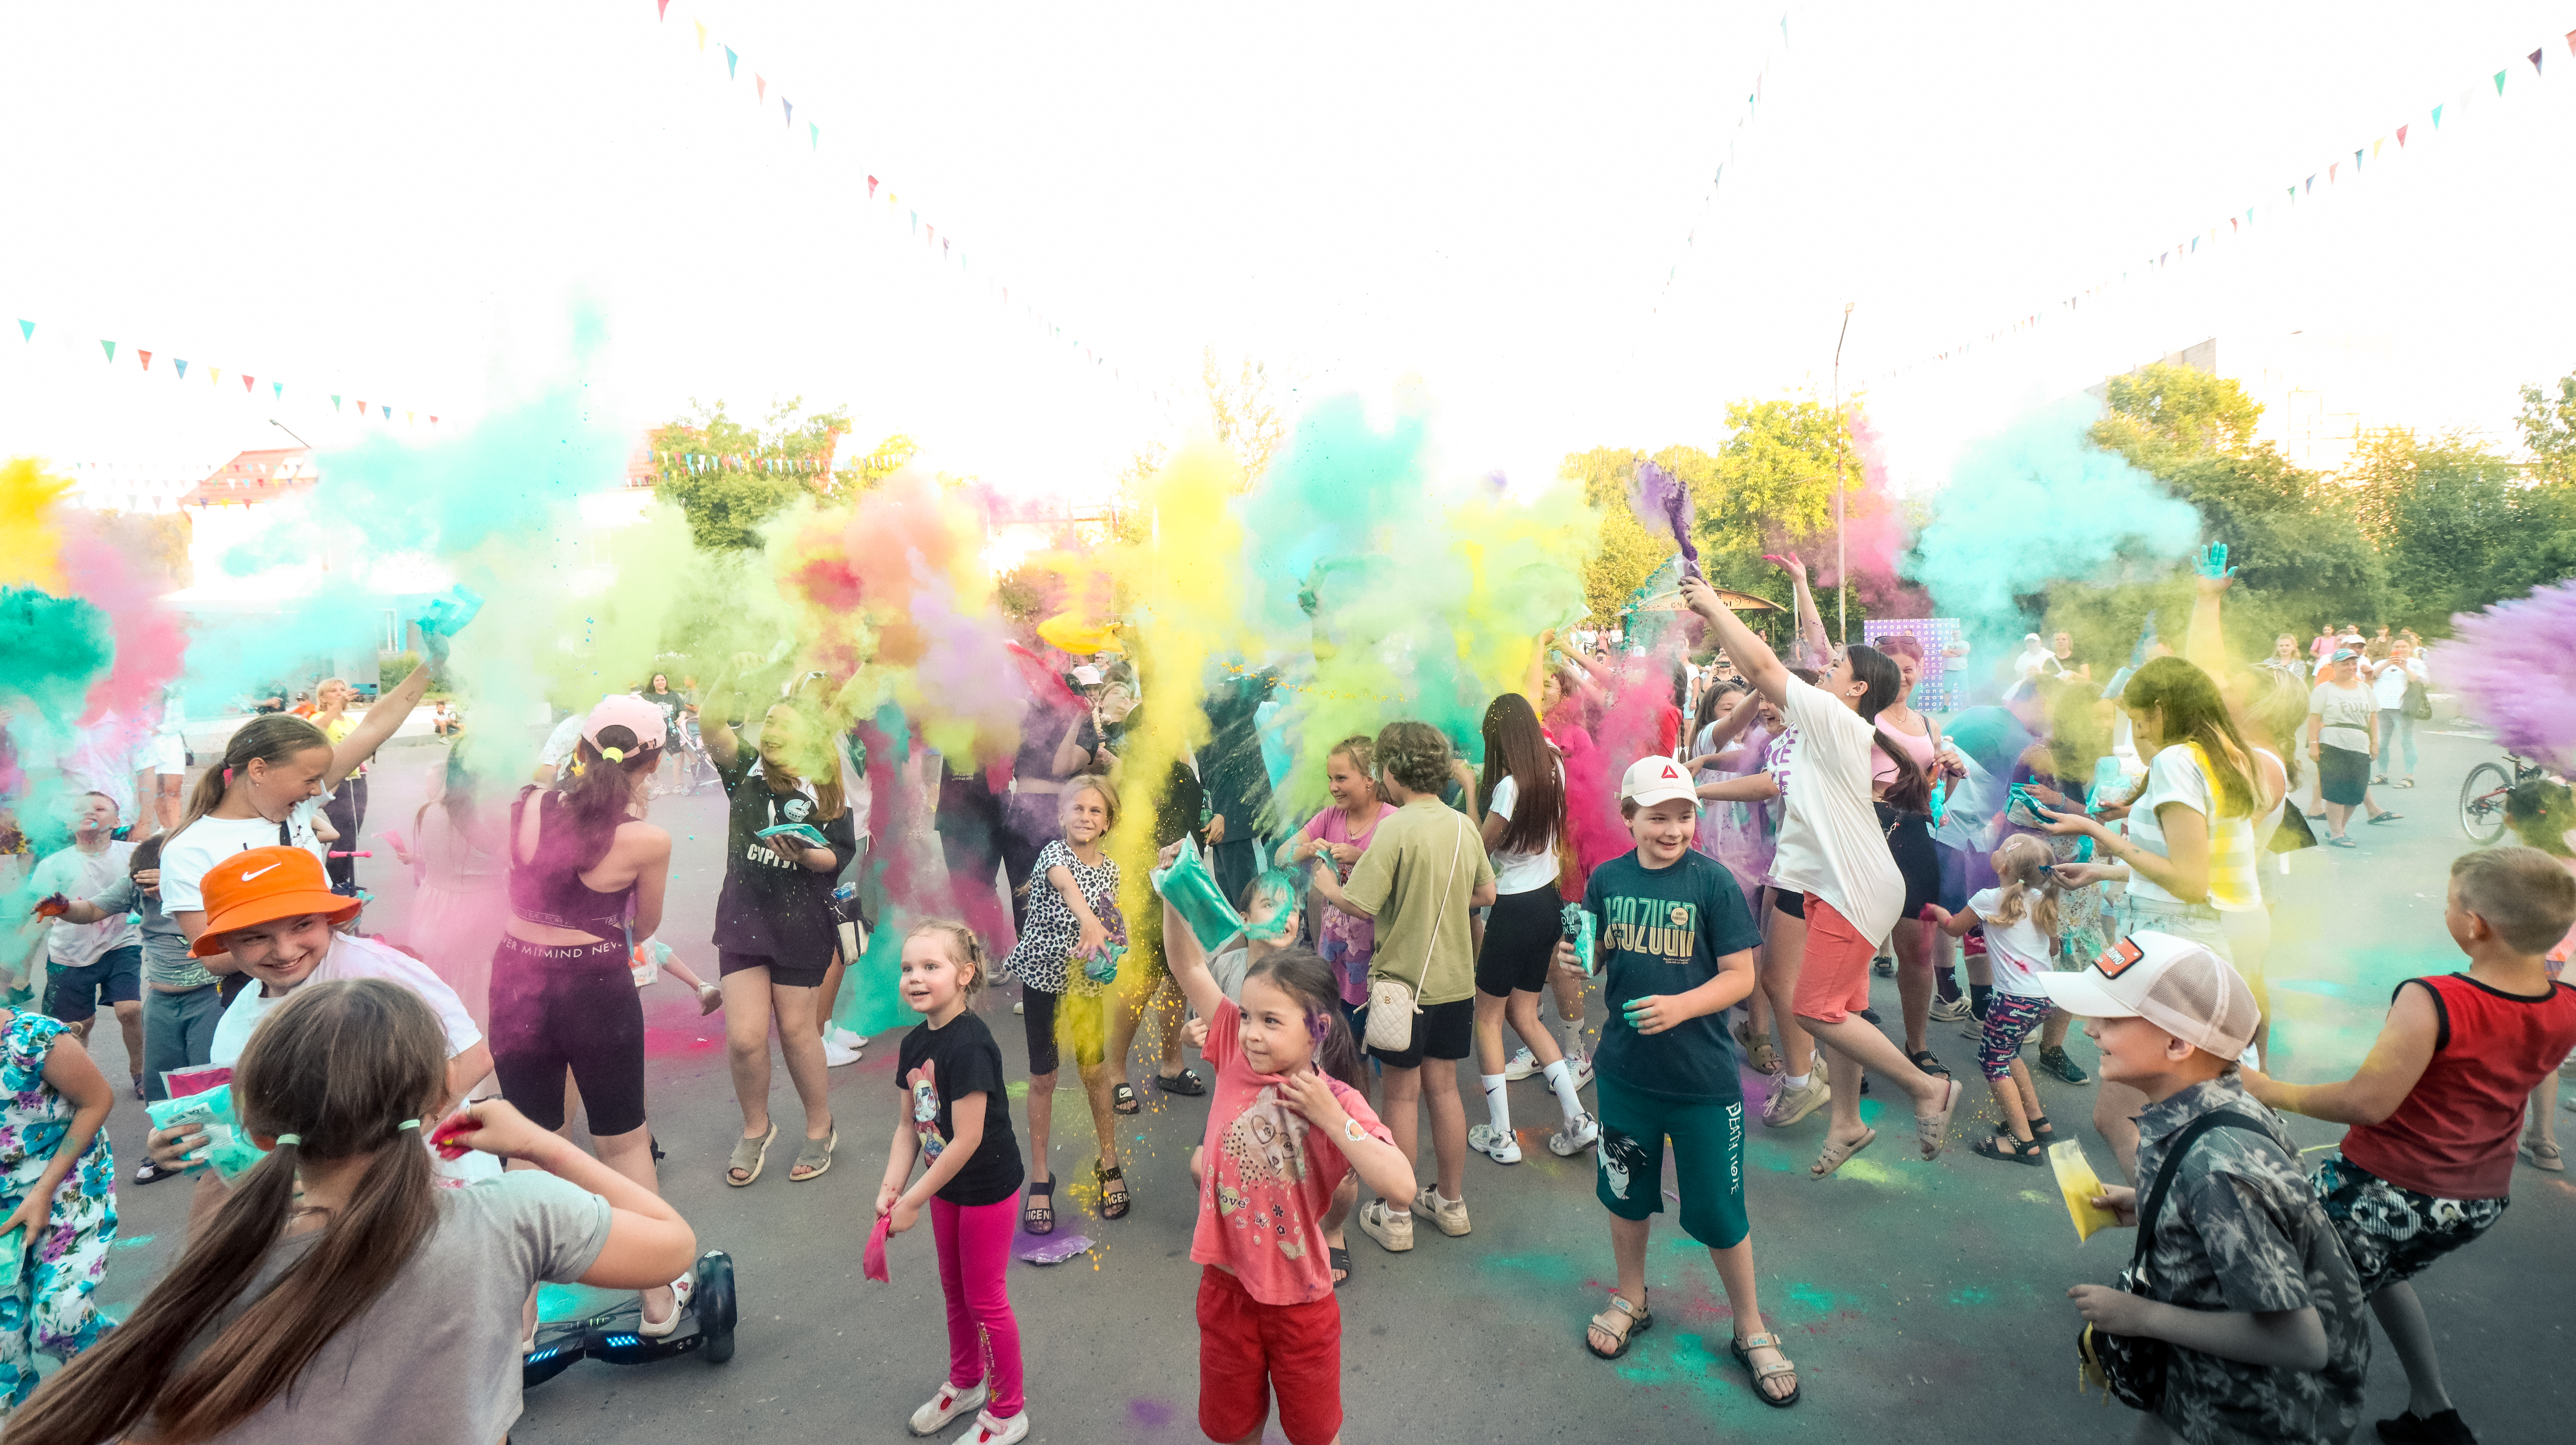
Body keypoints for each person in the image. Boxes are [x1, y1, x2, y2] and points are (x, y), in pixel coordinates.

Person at [15, 978, 696, 1445]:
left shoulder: (227, 1254)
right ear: (438, 1103)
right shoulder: (514, 1217)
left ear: (255, 1126)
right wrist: (538, 1142)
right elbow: (671, 1244)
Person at [2245, 847, 2576, 1445]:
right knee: (2379, 1270)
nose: (2447, 910)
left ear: (2476, 924)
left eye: (2452, 902)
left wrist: (2268, 1087)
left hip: (2388, 1189)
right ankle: (2433, 1406)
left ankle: (2303, 1424)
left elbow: (2367, 1102)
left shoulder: (2435, 998)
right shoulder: (2566, 1004)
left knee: (2301, 1313)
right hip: (2472, 1200)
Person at [1678, 577, 1963, 1176]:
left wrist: (1712, 605)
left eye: (1838, 665)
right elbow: (1776, 780)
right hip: (1832, 886)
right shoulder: (1823, 727)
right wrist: (1696, 787)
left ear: (1857, 687)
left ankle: (1923, 1086)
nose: (1826, 667)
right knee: (1842, 1009)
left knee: (1813, 1008)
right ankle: (1847, 1121)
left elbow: (1759, 664)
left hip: (1851, 889)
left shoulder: (1835, 716)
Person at [2046, 932, 2368, 1445]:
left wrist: (2142, 1316)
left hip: (2250, 1415)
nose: (2089, 1030)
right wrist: (2156, 1202)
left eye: (2109, 1020)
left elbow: (2301, 1343)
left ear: (2177, 1044)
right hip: (2197, 1390)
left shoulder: (2218, 1171)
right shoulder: (2218, 1107)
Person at [1560, 755, 1798, 1406]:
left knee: (1720, 1211)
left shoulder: (1713, 883)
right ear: (1628, 814)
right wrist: (1574, 959)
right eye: (1658, 815)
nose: (1673, 828)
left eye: (1684, 813)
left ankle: (1749, 1325)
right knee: (1625, 1193)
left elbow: (1740, 977)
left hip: (1703, 1082)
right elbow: (1595, 958)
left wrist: (1681, 1006)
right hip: (1625, 1074)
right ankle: (1631, 1296)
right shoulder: (1606, 879)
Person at [1159, 920, 1411, 1445]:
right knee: (1233, 1431)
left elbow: (1401, 1188)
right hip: (1226, 1290)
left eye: (1271, 1021)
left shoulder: (1337, 1100)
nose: (1251, 1030)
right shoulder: (1232, 1048)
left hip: (1301, 1303)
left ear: (1317, 1028)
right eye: (1247, 1015)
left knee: (1315, 1436)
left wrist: (1332, 1119)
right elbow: (1187, 967)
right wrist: (1172, 895)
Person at [488, 694, 693, 1334]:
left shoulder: (524, 805)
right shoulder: (646, 839)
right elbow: (645, 927)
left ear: (578, 748)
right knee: (623, 1139)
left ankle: (519, 1326)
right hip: (594, 987)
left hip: (517, 976)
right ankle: (657, 1298)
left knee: (525, 1145)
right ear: (652, 761)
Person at [2039, 656, 2265, 1179]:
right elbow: (2194, 872)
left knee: (2139, 1118)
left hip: (2174, 941)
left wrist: (2099, 835)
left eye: (2138, 722)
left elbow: (2187, 880)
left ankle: (2174, 1234)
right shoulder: (2224, 754)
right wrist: (2105, 874)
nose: (2138, 736)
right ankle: (2175, 1231)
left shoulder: (2176, 762)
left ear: (2160, 712)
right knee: (2188, 1110)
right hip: (2196, 932)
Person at [1308, 721, 1496, 1254]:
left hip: (1401, 989)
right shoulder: (1462, 826)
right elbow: (1487, 892)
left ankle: (1396, 1214)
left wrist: (1328, 887)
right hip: (1455, 983)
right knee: (1445, 1091)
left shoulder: (1395, 828)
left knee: (1401, 1096)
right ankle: (1452, 1204)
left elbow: (1362, 904)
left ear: (1391, 772)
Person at [160, 650, 443, 963]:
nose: (317, 791)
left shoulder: (299, 807)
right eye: (310, 780)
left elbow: (373, 728)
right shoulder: (189, 850)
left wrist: (434, 663)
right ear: (259, 770)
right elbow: (213, 959)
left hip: (330, 978)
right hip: (268, 996)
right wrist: (320, 932)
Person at [701, 665, 859, 1188]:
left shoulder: (827, 786)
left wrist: (807, 854)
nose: (770, 732)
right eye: (769, 721)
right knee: (746, 1039)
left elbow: (837, 857)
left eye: (783, 727)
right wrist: (727, 676)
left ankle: (821, 1128)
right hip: (744, 918)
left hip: (801, 923)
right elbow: (711, 726)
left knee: (797, 1031)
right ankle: (757, 1128)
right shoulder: (743, 768)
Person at [881, 922, 1030, 1445]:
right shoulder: (915, 1043)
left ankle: (1009, 1410)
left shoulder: (971, 1046)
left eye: (930, 967)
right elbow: (908, 1126)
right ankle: (967, 1383)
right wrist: (893, 1188)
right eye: (908, 969)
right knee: (955, 1290)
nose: (915, 978)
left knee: (985, 1299)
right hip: (944, 1186)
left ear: (964, 975)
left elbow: (965, 1141)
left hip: (987, 1184)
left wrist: (913, 1201)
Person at [1465, 693, 1596, 1165]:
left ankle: (1501, 1134)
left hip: (1513, 906)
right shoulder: (1553, 767)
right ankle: (1577, 1118)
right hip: (1548, 900)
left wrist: (1465, 786)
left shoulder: (1509, 786)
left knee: (1488, 1017)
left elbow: (1479, 849)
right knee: (1524, 1014)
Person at [1000, 777, 1129, 1230]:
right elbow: (1070, 889)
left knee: (1095, 1073)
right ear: (1062, 815)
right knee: (1044, 1077)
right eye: (1078, 809)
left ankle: (1109, 1162)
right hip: (1042, 983)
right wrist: (1090, 922)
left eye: (1096, 811)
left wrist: (1113, 942)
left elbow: (1112, 921)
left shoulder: (1111, 869)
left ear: (1107, 821)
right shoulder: (1053, 855)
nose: (1086, 817)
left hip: (1084, 987)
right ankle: (1040, 1176)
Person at [50, 835, 205, 1184]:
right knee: (159, 1081)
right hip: (162, 999)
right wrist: (63, 909)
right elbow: (91, 910)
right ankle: (171, 1149)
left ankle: (218, 1156)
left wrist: (179, 891)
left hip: (209, 995)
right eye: (143, 885)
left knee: (206, 1078)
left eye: (156, 884)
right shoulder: (135, 886)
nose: (149, 894)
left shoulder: (201, 885)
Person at [0, 980, 115, 1408]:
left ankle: (130, 1371)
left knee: (61, 1320)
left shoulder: (31, 1038)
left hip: (69, 1182)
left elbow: (97, 1099)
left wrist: (45, 1188)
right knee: (3, 1352)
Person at [1925, 835, 2064, 1164]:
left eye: (2002, 848)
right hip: (2045, 998)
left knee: (1994, 1062)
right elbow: (2054, 948)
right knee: (2010, 1052)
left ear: (2002, 865)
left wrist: (1937, 909)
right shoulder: (2043, 899)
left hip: (2013, 1002)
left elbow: (1954, 928)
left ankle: (2022, 1142)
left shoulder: (1989, 899)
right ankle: (2036, 1120)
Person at [1871, 632, 1972, 1074]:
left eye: (1910, 664)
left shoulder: (1929, 725)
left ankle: (1917, 1044)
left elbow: (1935, 803)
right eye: (1892, 665)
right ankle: (1850, 1051)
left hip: (1913, 836)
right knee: (1856, 946)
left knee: (1917, 949)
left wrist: (1949, 776)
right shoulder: (1861, 717)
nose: (1903, 672)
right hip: (1867, 830)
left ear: (1921, 669)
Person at [1276, 735, 1396, 1035]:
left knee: (1380, 1056)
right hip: (1334, 961)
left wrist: (1361, 857)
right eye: (1330, 778)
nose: (1333, 787)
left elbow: (1402, 881)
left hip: (1376, 966)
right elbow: (1281, 857)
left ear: (1370, 779)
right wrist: (1307, 850)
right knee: (1341, 1055)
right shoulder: (1330, 816)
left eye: (1342, 778)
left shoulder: (1392, 821)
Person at [23, 792, 141, 1095]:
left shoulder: (133, 854)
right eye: (80, 809)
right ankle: (78, 1084)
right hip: (70, 955)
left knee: (130, 1010)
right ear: (69, 822)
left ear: (117, 822)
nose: (90, 812)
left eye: (100, 808)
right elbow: (37, 909)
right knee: (79, 1026)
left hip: (120, 944)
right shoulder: (54, 864)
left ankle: (140, 1072)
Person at [391, 746, 509, 1036]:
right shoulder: (494, 816)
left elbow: (430, 863)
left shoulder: (429, 810)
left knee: (437, 985)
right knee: (478, 990)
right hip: (483, 911)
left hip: (432, 908)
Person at [2306, 651, 2395, 845]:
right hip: (2332, 742)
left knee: (2357, 791)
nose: (2350, 667)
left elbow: (2373, 717)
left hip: (2360, 743)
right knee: (2336, 790)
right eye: (2345, 664)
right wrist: (2313, 745)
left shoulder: (2364, 689)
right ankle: (2337, 833)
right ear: (2334, 667)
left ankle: (2340, 829)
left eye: (2353, 663)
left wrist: (2374, 743)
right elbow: (2314, 719)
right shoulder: (2324, 690)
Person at [309, 678, 373, 895]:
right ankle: (333, 881)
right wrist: (336, 707)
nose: (339, 693)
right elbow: (317, 731)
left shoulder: (350, 721)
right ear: (323, 698)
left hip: (357, 780)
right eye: (333, 691)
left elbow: (361, 743)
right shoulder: (319, 718)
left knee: (353, 833)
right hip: (337, 782)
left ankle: (345, 879)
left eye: (342, 690)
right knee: (342, 833)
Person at [2366, 639, 2428, 789]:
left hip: (2403, 708)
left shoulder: (2416, 664)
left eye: (2404, 647)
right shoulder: (2381, 663)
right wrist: (2387, 664)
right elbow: (2371, 677)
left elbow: (2420, 682)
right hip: (2382, 707)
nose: (2400, 649)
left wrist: (2405, 668)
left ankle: (2409, 777)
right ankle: (2383, 774)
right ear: (2391, 648)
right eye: (2397, 646)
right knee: (2381, 743)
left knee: (2406, 741)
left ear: (2410, 648)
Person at [641, 672, 692, 795]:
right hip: (654, 732)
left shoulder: (673, 695)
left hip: (671, 732)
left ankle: (678, 785)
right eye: (657, 680)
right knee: (653, 759)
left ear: (666, 682)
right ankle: (658, 786)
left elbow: (683, 710)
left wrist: (681, 718)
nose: (660, 682)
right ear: (653, 683)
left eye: (662, 680)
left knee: (678, 756)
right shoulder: (647, 697)